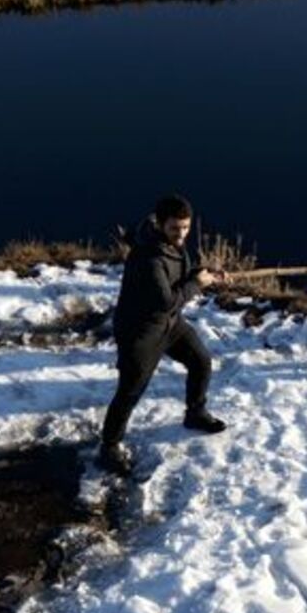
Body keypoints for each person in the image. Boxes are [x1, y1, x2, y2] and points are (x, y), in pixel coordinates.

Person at [99, 194, 226, 473]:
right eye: (175, 228)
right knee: (131, 391)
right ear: (159, 224)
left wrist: (203, 273)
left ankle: (195, 413)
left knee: (200, 361)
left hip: (168, 324)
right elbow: (167, 300)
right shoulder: (148, 257)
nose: (181, 234)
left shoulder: (168, 243)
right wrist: (197, 283)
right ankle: (109, 446)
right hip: (140, 333)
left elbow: (177, 277)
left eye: (186, 227)